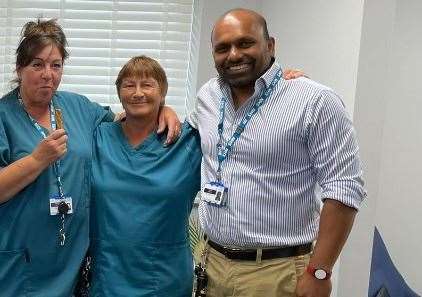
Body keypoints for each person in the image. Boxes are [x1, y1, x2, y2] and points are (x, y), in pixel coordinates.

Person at [189, 8, 367, 297]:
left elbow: (344, 188)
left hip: (276, 273)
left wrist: (319, 272)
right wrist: (163, 113)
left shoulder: (314, 101)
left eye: (245, 43)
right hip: (211, 264)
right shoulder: (208, 96)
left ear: (270, 45)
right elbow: (186, 127)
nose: (233, 55)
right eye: (222, 48)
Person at [0, 19, 179, 297]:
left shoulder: (78, 107)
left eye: (56, 65)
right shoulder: (3, 116)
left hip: (72, 261)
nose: (48, 74)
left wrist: (163, 110)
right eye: (37, 64)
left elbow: (126, 121)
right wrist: (37, 160)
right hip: (21, 262)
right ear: (19, 68)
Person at [89, 55, 202, 297]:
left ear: (163, 93)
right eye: (129, 85)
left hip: (165, 281)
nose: (138, 93)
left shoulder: (188, 142)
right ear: (119, 93)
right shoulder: (98, 137)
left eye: (147, 85)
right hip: (108, 277)